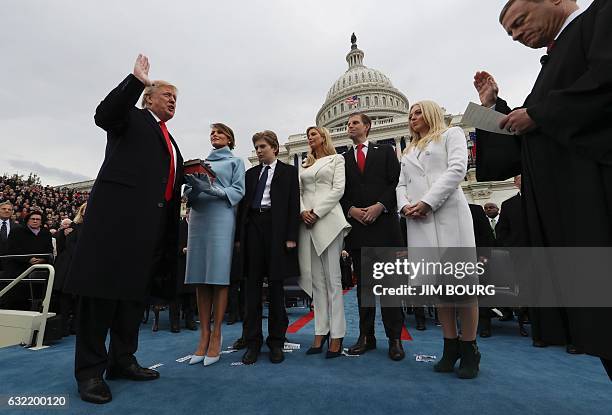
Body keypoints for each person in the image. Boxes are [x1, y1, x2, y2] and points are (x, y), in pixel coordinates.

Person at [473, 0, 612, 378]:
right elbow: (525, 145)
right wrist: (494, 108)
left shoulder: (602, 16)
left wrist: (538, 114)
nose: (516, 35)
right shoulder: (553, 62)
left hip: (598, 203)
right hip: (570, 218)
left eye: (519, 22)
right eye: (510, 33)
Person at [63, 55, 184, 404]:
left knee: (132, 300)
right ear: (148, 98)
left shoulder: (169, 140)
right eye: (166, 95)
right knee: (100, 298)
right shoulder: (131, 116)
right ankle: (89, 372)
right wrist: (135, 80)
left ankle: (122, 359)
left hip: (150, 232)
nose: (173, 100)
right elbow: (104, 114)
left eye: (177, 98)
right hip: (115, 227)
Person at [397, 101, 481, 378]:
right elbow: (401, 185)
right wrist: (404, 206)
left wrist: (427, 201)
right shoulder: (408, 150)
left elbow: (457, 169)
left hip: (449, 217)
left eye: (418, 112)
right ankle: (450, 346)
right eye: (410, 115)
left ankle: (470, 348)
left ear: (431, 113)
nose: (412, 118)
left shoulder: (451, 134)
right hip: (419, 223)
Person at [340, 112, 405, 361]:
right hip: (359, 228)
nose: (350, 125)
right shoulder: (342, 159)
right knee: (364, 289)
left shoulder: (386, 152)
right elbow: (340, 191)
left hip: (385, 227)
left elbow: (395, 182)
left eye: (355, 122)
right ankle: (366, 337)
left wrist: (380, 206)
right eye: (348, 123)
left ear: (367, 127)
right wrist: (351, 209)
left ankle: (394, 339)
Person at [234, 130, 299, 365]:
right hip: (253, 228)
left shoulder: (290, 172)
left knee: (275, 288)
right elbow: (242, 207)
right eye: (257, 147)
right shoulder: (250, 174)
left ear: (275, 148)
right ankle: (252, 342)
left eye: (262, 146)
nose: (259, 150)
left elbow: (294, 205)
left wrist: (291, 236)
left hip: (277, 231)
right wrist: (239, 238)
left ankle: (276, 342)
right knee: (251, 289)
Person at [184, 123, 245, 366]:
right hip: (199, 218)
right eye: (212, 132)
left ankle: (217, 334)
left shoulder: (236, 161)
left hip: (221, 217)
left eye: (220, 132)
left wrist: (214, 189)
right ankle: (203, 335)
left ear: (230, 138)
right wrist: (194, 189)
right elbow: (190, 194)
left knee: (218, 276)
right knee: (200, 276)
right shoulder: (200, 163)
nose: (215, 135)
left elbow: (238, 191)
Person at [298, 126, 351, 358]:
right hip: (306, 223)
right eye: (308, 135)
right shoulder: (305, 165)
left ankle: (337, 335)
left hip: (328, 220)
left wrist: (316, 212)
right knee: (316, 281)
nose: (310, 138)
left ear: (323, 138)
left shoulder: (337, 159)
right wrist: (303, 212)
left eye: (314, 135)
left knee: (333, 280)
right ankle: (320, 331)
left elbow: (338, 189)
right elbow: (298, 192)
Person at [5, 211, 53, 311]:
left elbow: (49, 251)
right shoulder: (17, 231)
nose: (35, 221)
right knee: (18, 297)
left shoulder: (46, 233)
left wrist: (43, 259)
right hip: (19, 268)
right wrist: (28, 259)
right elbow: (12, 249)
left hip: (40, 268)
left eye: (38, 219)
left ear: (41, 221)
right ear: (27, 220)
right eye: (33, 219)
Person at [53, 202, 87, 336]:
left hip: (85, 266)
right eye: (85, 209)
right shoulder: (73, 227)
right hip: (69, 265)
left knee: (80, 297)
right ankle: (62, 327)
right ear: (81, 211)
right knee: (65, 297)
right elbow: (68, 246)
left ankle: (76, 326)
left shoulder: (97, 226)